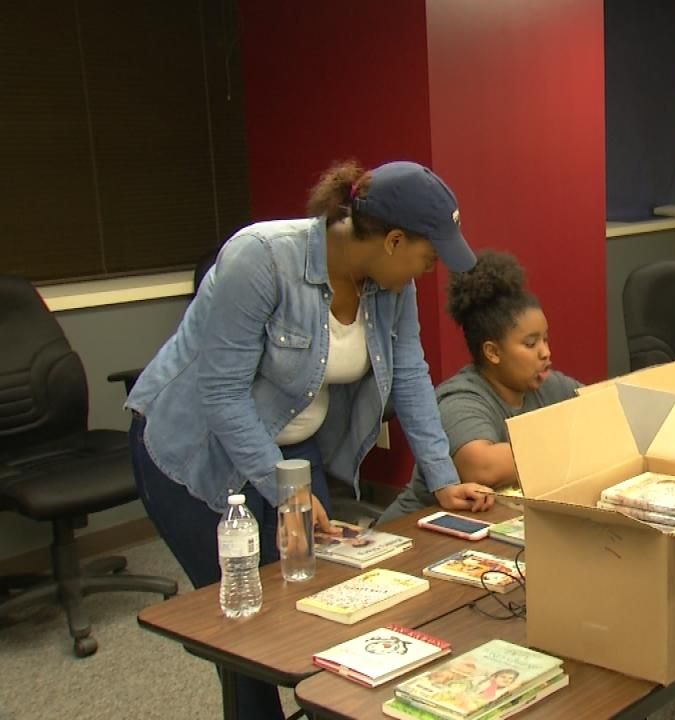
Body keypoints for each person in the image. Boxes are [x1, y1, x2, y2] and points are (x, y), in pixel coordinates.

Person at [125, 160, 494, 720]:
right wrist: (286, 493)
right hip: (193, 451)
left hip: (291, 451)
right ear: (393, 240)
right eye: (428, 255)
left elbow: (413, 373)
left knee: (320, 600)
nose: (429, 269)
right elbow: (222, 394)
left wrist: (443, 480)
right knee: (247, 621)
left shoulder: (390, 285)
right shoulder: (262, 258)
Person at [380, 251, 581, 520]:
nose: (545, 353)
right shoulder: (460, 399)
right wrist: (578, 440)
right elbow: (483, 468)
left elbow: (607, 406)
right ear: (492, 352)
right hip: (417, 530)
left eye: (545, 339)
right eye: (531, 344)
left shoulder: (548, 385)